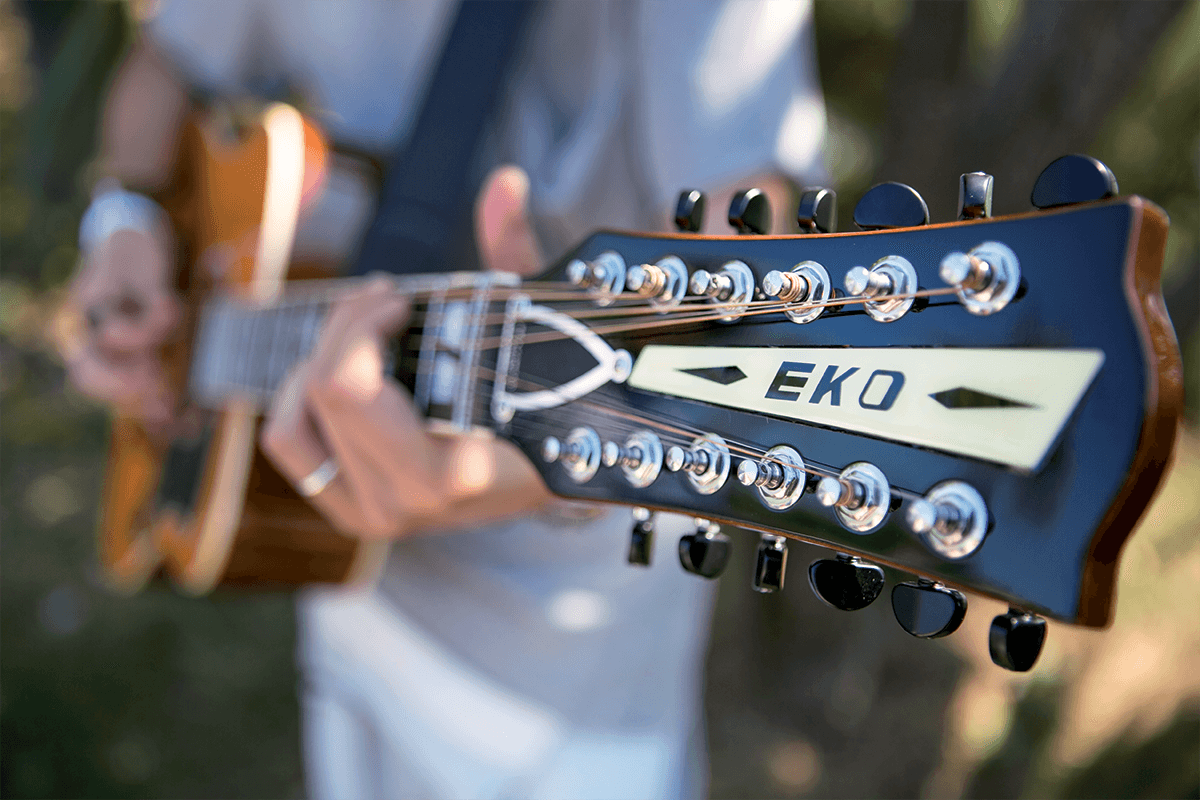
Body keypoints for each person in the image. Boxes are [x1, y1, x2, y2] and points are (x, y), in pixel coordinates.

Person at [60, 1, 827, 796]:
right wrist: (126, 219)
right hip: (342, 565)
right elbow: (166, 62)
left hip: (563, 646)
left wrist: (560, 450)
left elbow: (749, 286)